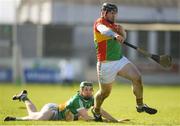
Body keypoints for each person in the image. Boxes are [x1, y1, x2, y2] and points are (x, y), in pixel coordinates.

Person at [92, 2, 157, 121]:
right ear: (104, 13)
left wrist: (122, 32)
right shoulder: (99, 23)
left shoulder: (116, 26)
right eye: (112, 13)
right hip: (105, 64)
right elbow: (104, 30)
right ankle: (96, 110)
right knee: (104, 93)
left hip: (119, 60)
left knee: (137, 77)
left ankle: (140, 105)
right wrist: (115, 35)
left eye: (115, 13)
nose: (114, 16)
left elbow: (122, 38)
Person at [4, 81, 129, 122]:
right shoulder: (77, 99)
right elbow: (85, 117)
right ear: (81, 91)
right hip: (54, 111)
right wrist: (104, 121)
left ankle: (24, 97)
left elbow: (100, 110)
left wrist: (115, 121)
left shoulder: (90, 99)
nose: (89, 92)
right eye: (86, 90)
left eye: (90, 90)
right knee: (35, 118)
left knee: (34, 114)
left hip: (57, 109)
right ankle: (16, 118)